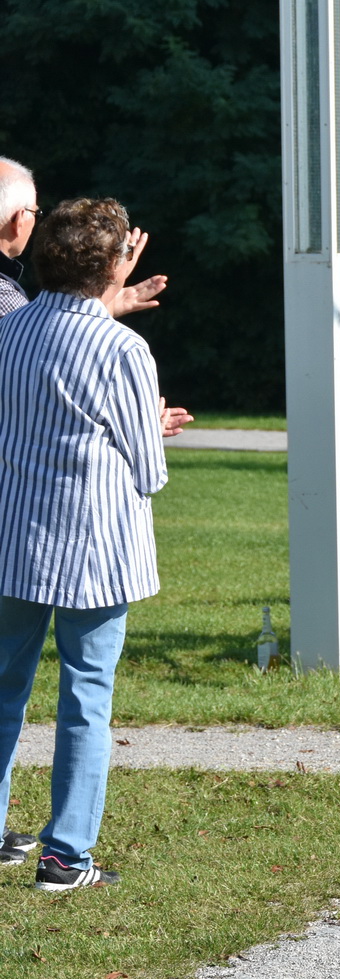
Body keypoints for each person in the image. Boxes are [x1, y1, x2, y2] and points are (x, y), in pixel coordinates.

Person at [0, 197, 194, 887]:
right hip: (95, 549)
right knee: (86, 698)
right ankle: (65, 852)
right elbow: (149, 469)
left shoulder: (10, 331)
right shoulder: (123, 348)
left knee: (3, 689)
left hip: (15, 537)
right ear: (113, 265)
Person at [0, 156, 167, 321]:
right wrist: (108, 294)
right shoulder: (7, 301)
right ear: (19, 219)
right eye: (36, 213)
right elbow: (41, 337)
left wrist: (104, 307)